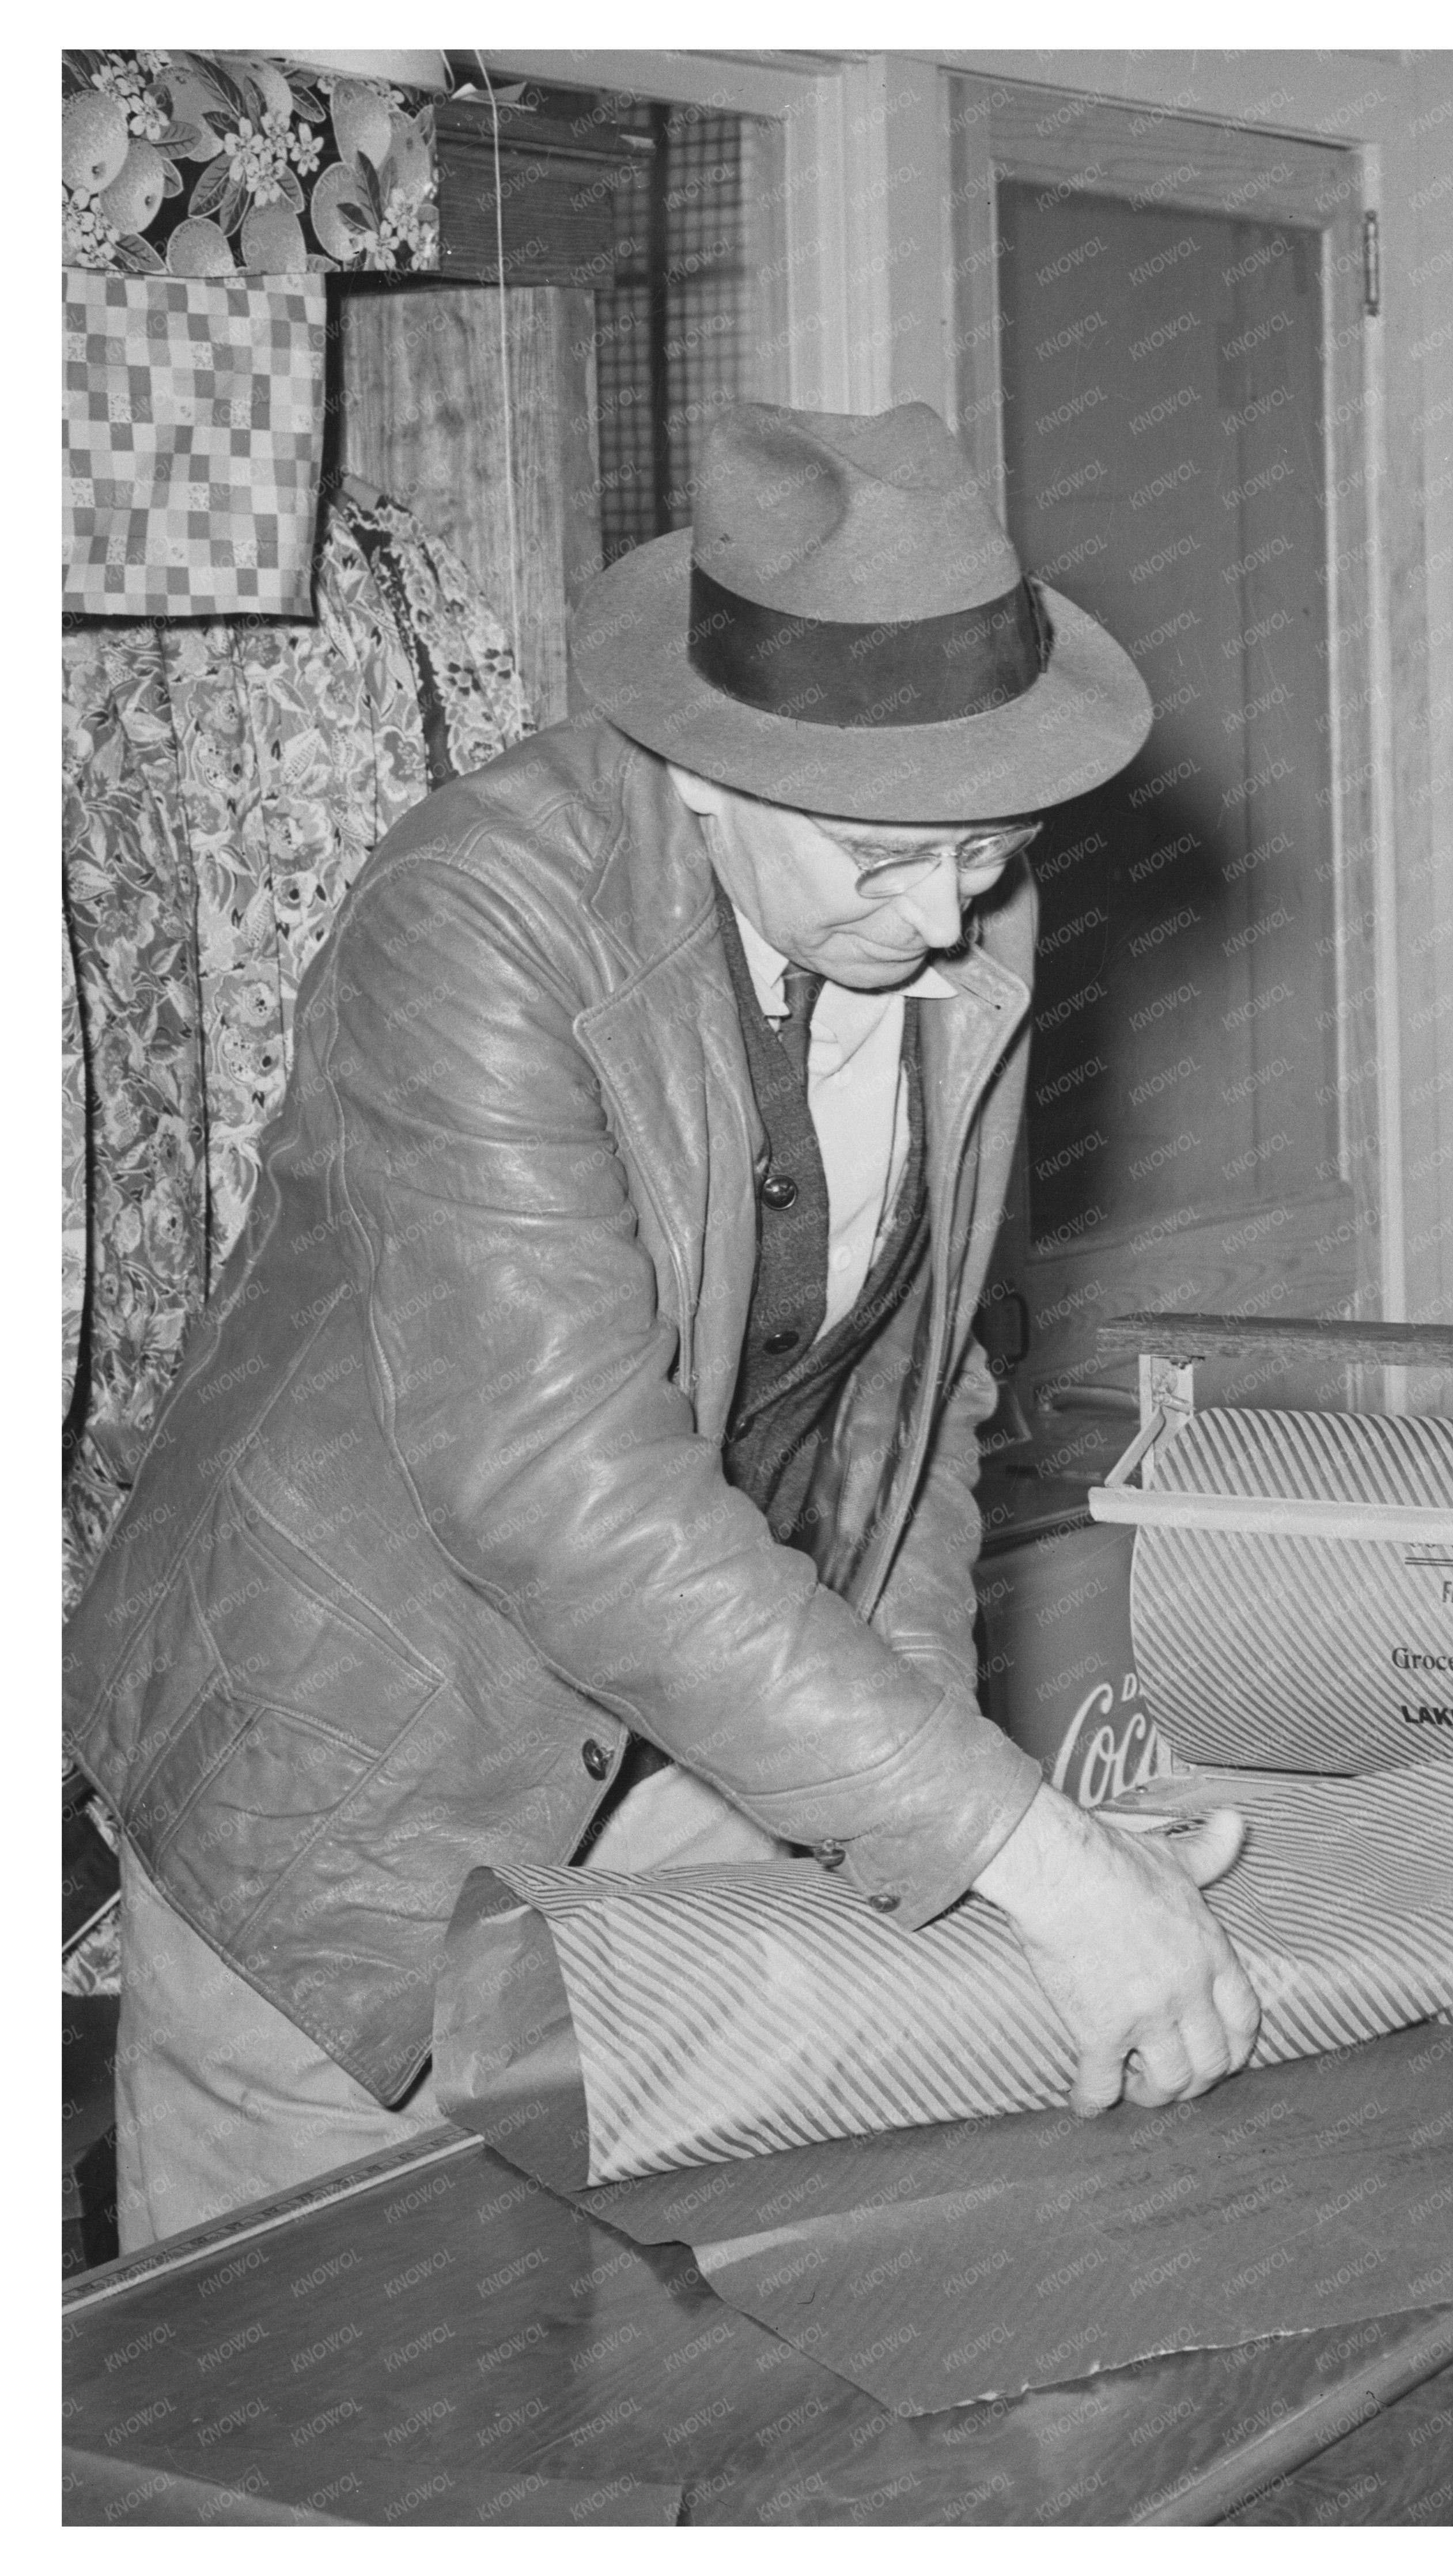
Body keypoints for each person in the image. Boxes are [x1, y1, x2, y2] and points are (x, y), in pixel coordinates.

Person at [69, 402, 1262, 2248]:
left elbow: (917, 1394)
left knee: (693, 2335)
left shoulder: (950, 908)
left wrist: (946, 1838)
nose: (948, 921)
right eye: (884, 861)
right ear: (703, 770)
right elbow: (560, 1484)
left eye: (990, 849)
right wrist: (1035, 1856)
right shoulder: (475, 914)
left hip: (692, 1723)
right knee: (326, 2413)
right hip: (353, 1770)